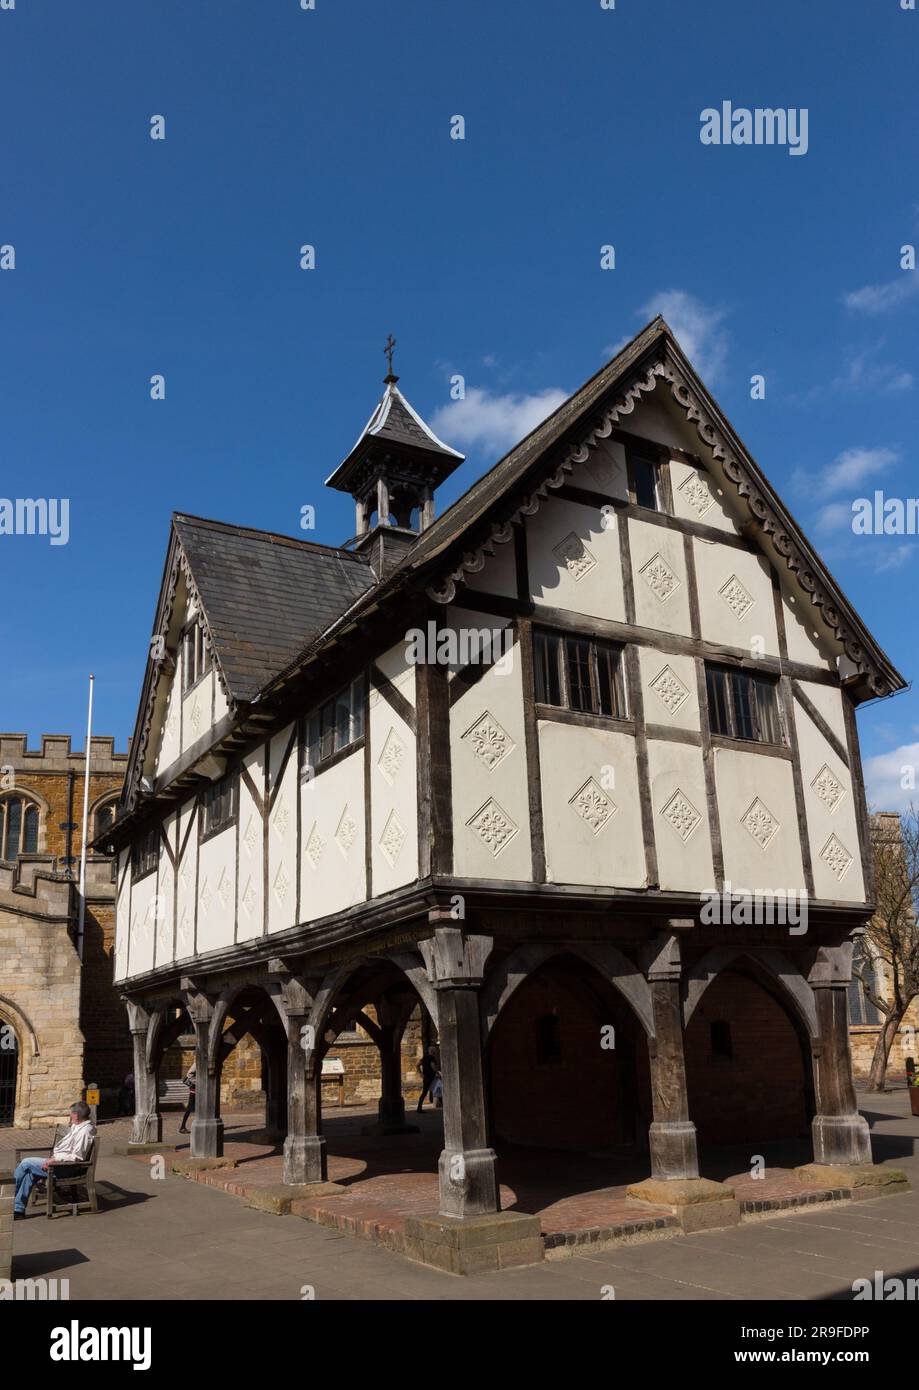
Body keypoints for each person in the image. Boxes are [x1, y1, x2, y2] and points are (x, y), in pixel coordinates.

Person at [13, 1101, 95, 1218]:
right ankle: (18, 1210)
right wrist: (54, 1158)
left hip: (67, 1168)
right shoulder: (78, 1126)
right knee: (29, 1174)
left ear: (76, 1115)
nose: (69, 1116)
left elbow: (77, 1157)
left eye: (71, 1113)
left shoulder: (85, 1131)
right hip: (59, 1163)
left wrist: (54, 1159)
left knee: (25, 1163)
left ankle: (8, 1196)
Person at [416, 1043, 441, 1112]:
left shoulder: (424, 1058)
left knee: (424, 1092)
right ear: (432, 1051)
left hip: (426, 1077)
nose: (435, 1051)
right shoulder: (432, 1058)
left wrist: (421, 1074)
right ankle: (444, 1105)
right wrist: (438, 1073)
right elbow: (433, 1066)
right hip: (431, 1077)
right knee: (438, 1089)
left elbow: (417, 1065)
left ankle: (419, 1108)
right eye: (435, 1050)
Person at [178, 1064, 196, 1134]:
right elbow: (189, 1074)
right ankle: (182, 1127)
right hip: (194, 1091)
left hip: (199, 1091)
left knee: (199, 1109)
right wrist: (196, 1083)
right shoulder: (197, 1063)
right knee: (189, 1109)